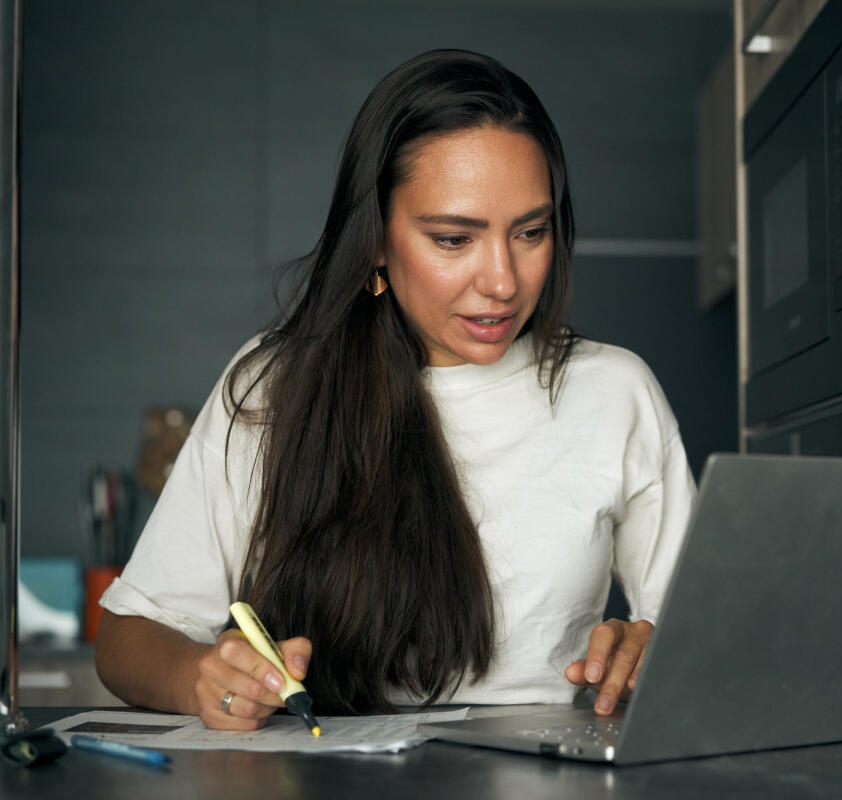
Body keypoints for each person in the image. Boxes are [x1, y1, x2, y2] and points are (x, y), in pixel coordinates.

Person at [94, 49, 695, 731]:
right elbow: (126, 638)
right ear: (376, 240)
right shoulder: (275, 386)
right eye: (453, 239)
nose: (502, 280)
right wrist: (201, 677)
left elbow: (713, 646)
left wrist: (653, 651)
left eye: (531, 232)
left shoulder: (614, 392)